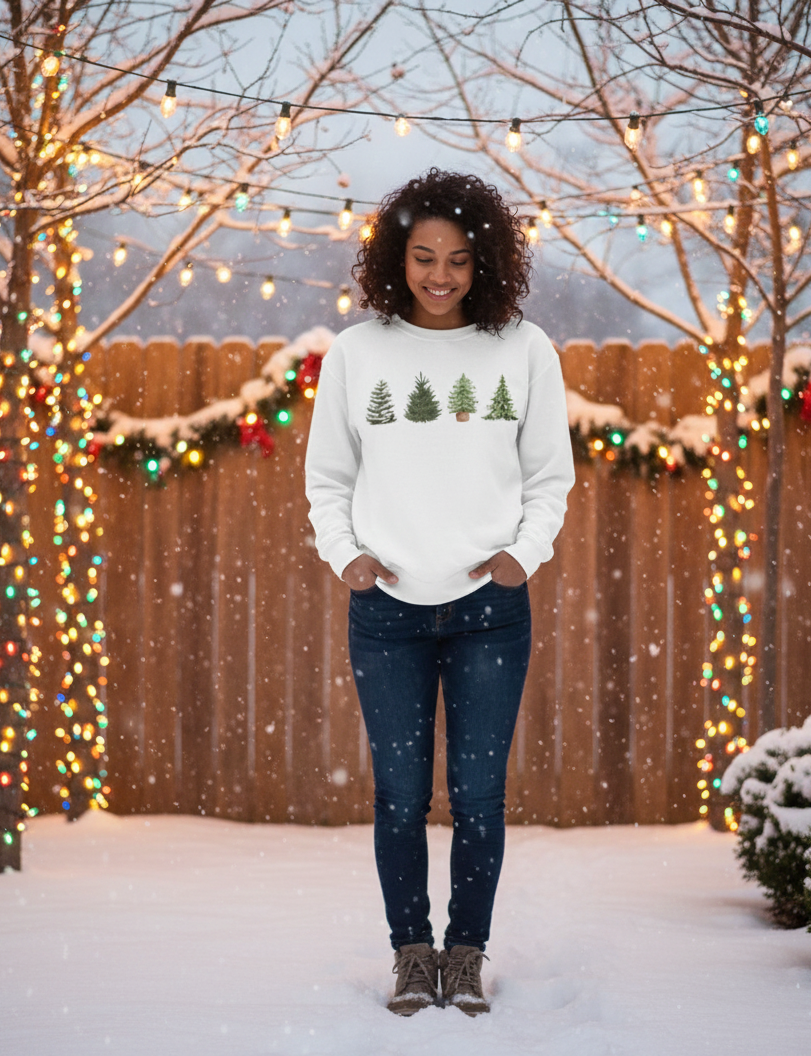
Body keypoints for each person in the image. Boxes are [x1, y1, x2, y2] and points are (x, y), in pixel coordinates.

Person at [304, 168, 574, 1016]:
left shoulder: (524, 350)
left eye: (459, 258)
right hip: (385, 612)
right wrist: (343, 553)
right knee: (398, 797)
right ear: (396, 258)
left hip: (491, 612)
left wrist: (523, 554)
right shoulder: (356, 353)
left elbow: (550, 478)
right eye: (424, 257)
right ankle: (411, 952)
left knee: (481, 797)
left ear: (486, 260)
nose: (441, 275)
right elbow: (327, 479)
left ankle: (467, 953)